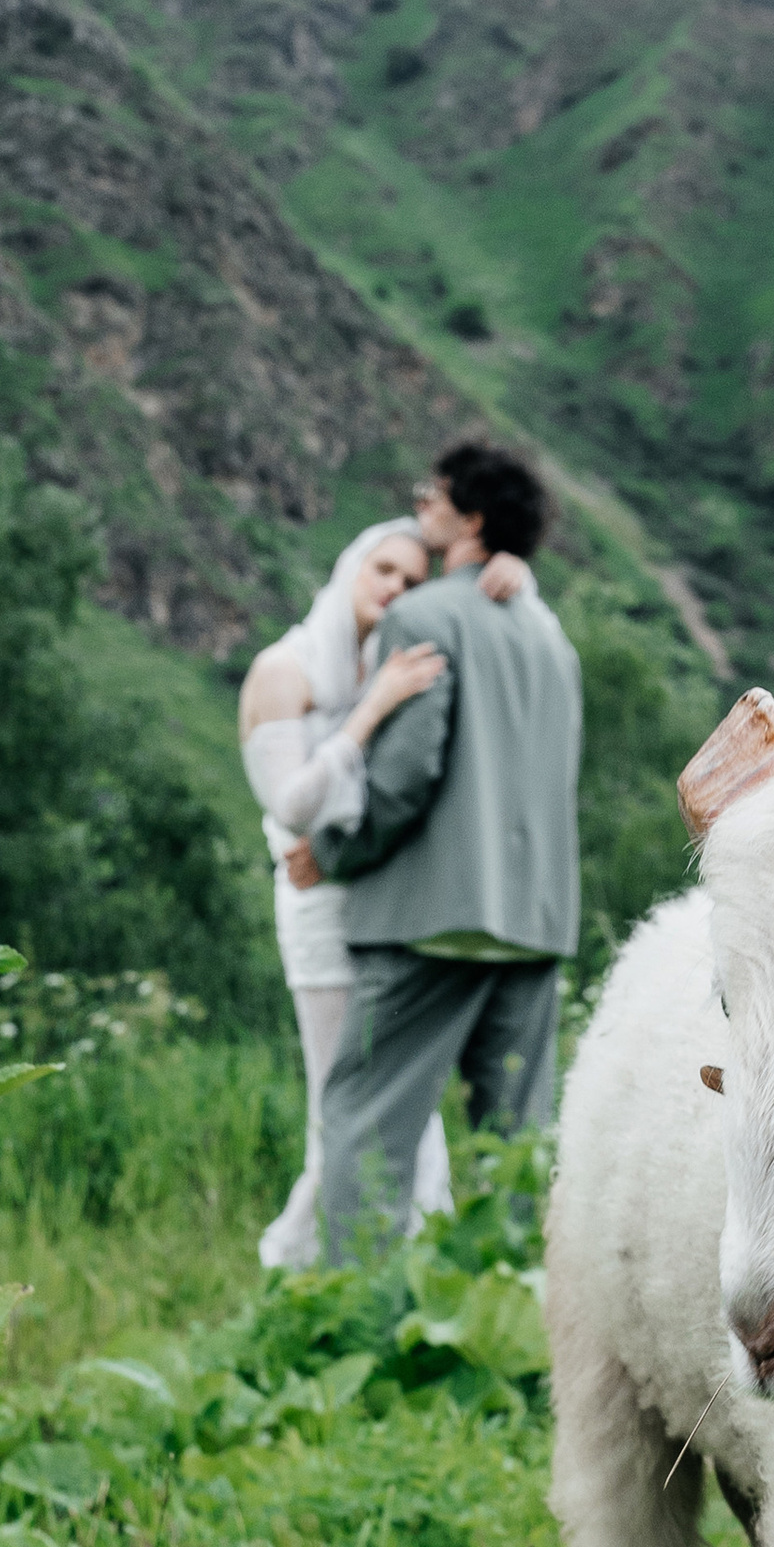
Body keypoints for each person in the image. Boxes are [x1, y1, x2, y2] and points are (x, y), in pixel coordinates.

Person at [310, 441, 583, 1262]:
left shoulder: (422, 617)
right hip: (533, 920)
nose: (420, 500)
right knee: (516, 1141)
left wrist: (333, 848)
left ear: (470, 517)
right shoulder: (550, 634)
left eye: (435, 492)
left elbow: (403, 775)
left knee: (367, 1116)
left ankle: (349, 1316)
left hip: (429, 913)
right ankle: (520, 1319)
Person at [238, 517, 531, 1269]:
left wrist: (515, 580)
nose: (395, 587)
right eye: (384, 571)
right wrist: (372, 710)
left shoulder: (383, 663)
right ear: (349, 569)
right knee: (345, 1106)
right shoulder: (286, 668)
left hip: (379, 901)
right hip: (319, 910)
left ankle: (380, 1264)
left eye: (410, 579)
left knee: (395, 1098)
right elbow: (292, 804)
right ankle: (311, 1264)